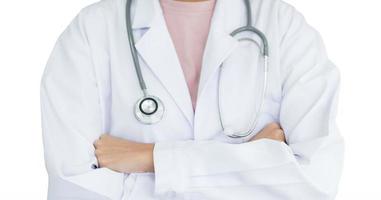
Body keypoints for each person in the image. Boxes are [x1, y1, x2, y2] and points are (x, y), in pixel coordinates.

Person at [40, 0, 344, 199]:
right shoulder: (92, 30)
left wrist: (151, 158)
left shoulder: (284, 26)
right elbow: (74, 189)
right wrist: (254, 162)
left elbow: (315, 183)